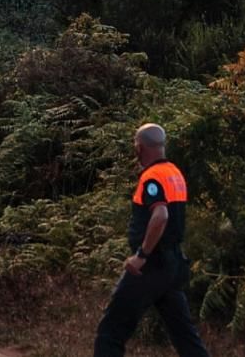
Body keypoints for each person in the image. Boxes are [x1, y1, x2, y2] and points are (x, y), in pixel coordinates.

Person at [93, 123, 209, 357]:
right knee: (185, 337)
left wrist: (141, 255)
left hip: (150, 265)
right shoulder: (175, 173)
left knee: (110, 332)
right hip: (173, 265)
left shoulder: (152, 176)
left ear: (140, 147)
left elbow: (161, 215)